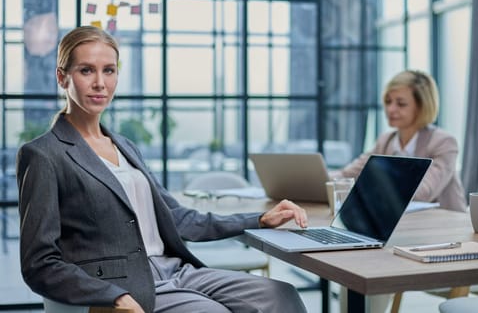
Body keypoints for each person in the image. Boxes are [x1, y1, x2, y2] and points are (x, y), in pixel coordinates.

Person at [16, 26, 308, 313]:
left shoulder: (125, 146)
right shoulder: (43, 155)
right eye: (86, 70)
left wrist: (259, 219)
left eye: (109, 70)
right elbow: (39, 262)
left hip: (175, 269)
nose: (100, 83)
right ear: (62, 77)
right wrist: (112, 297)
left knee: (279, 295)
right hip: (122, 285)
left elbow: (180, 219)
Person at [332, 69, 467, 212]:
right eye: (388, 101)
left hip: (446, 226)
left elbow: (423, 193)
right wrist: (321, 178)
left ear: (421, 107)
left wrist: (371, 183)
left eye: (401, 104)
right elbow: (347, 174)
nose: (390, 109)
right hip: (403, 224)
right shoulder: (386, 141)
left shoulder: (443, 143)